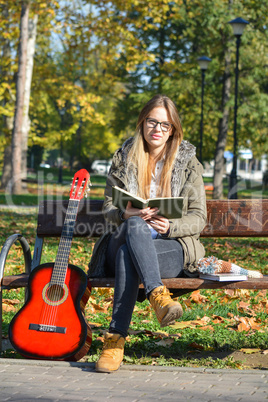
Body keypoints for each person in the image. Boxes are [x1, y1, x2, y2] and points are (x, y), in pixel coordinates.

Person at [88, 94, 207, 373]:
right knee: (134, 227)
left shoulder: (188, 164)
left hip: (169, 245)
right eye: (152, 122)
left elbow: (198, 218)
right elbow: (108, 208)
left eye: (165, 125)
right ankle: (157, 294)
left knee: (130, 255)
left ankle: (115, 340)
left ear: (173, 129)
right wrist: (126, 214)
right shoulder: (123, 159)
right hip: (121, 240)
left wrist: (171, 226)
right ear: (142, 123)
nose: (158, 129)